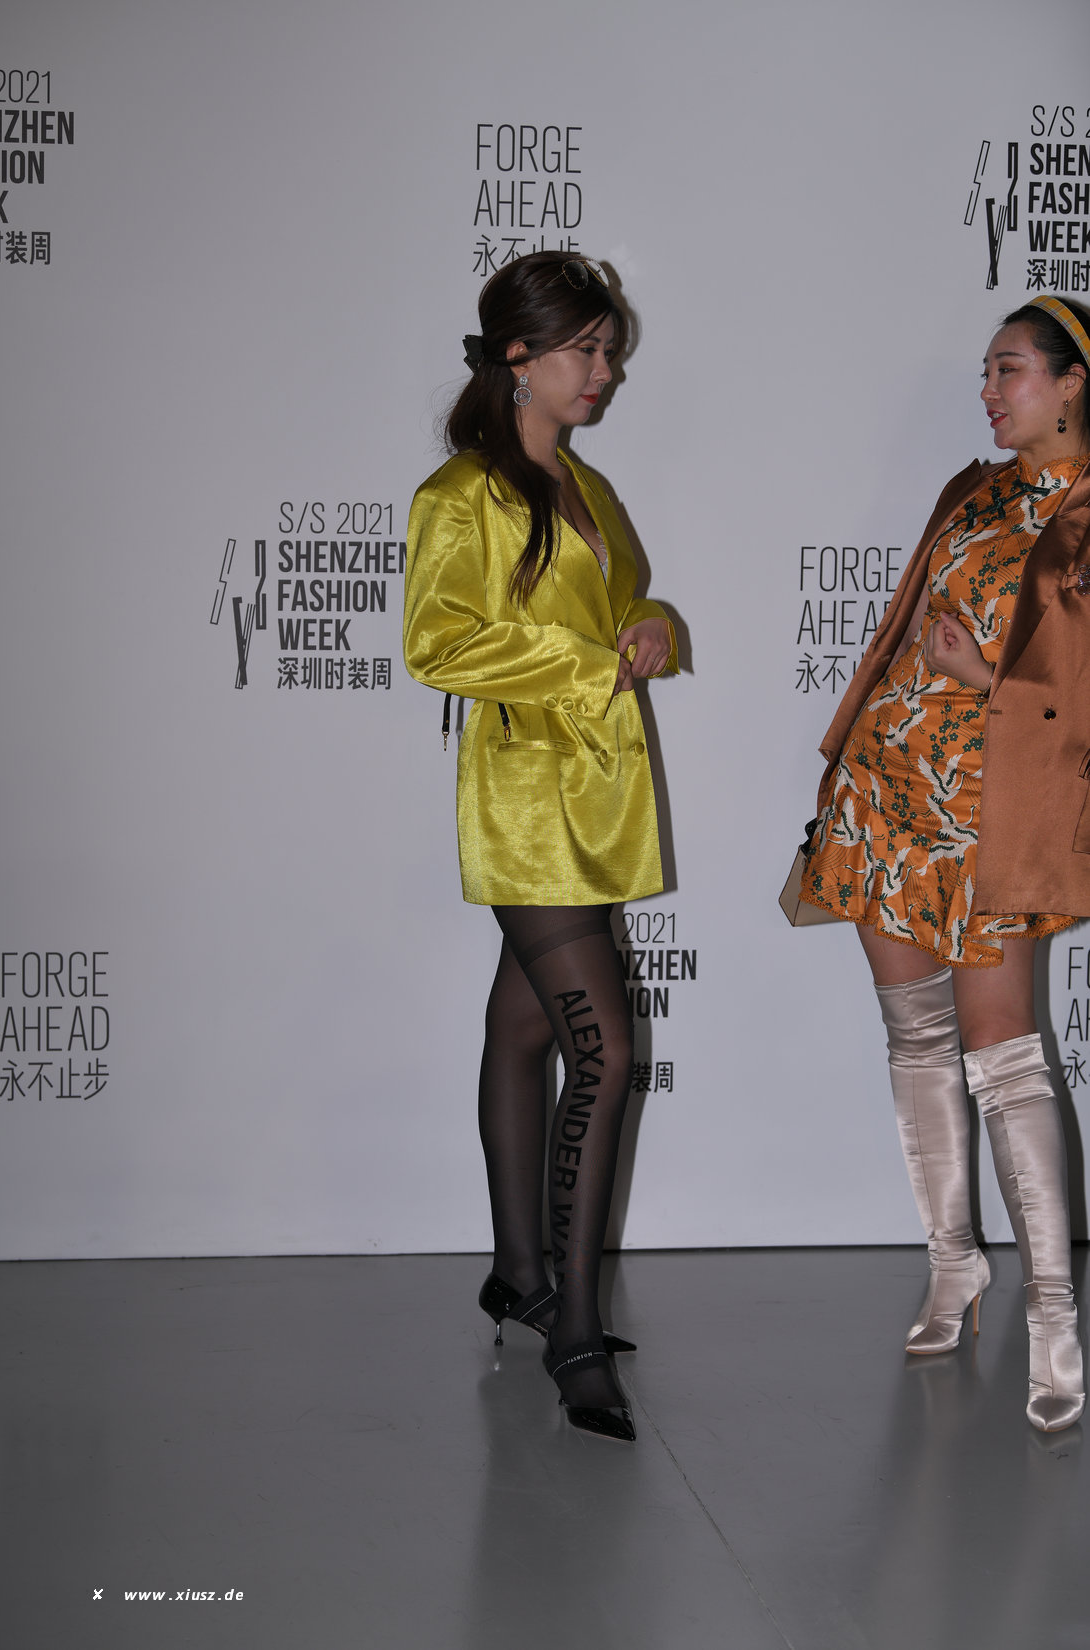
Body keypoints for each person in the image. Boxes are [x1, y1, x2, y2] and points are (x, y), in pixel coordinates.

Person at [800, 294, 1090, 1432]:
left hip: (991, 817)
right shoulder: (971, 493)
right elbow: (898, 636)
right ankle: (952, 1263)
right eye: (985, 371)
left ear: (1070, 383)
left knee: (1004, 1059)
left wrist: (980, 679)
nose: (988, 390)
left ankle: (1054, 1310)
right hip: (889, 799)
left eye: (1008, 369)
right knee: (914, 1039)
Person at [403, 252, 676, 1443]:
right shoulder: (459, 494)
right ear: (519, 358)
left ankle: (518, 1273)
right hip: (526, 797)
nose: (603, 371)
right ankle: (572, 1327)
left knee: (521, 1029)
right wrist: (581, 667)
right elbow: (437, 642)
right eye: (587, 350)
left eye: (609, 351)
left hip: (600, 794)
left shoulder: (585, 483)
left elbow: (622, 600)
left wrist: (649, 626)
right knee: (602, 1054)